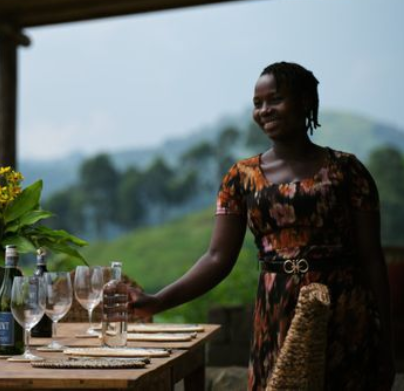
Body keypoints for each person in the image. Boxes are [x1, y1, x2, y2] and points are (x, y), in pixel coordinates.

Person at [129, 62, 395, 390]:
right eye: (258, 104)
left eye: (276, 100)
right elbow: (216, 258)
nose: (265, 110)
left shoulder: (348, 171)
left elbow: (371, 258)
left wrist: (388, 339)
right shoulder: (241, 178)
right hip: (276, 314)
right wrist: (158, 301)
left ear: (306, 102)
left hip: (345, 311)